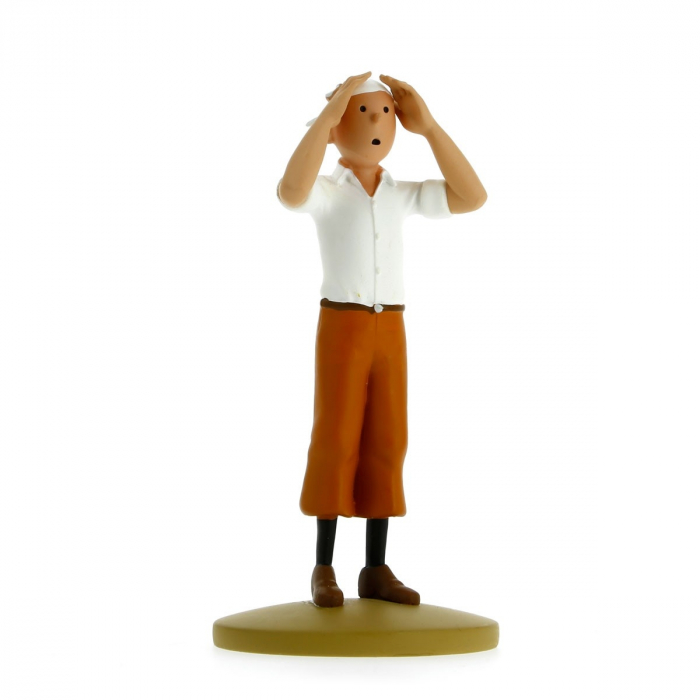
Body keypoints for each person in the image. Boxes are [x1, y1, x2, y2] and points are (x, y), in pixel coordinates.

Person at [278, 72, 487, 608]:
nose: (377, 123)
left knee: (388, 440)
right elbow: (290, 192)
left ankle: (375, 567)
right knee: (336, 438)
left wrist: (430, 127)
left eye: (386, 114)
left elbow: (473, 196)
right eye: (363, 112)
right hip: (343, 324)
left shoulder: (400, 194)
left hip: (390, 327)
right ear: (335, 125)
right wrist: (325, 122)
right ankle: (323, 566)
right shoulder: (327, 192)